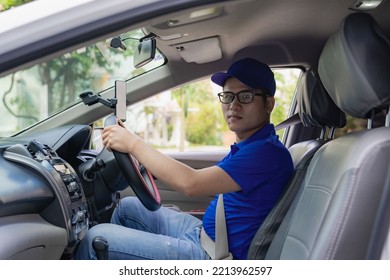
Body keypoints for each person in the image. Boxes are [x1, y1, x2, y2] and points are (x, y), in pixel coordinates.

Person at [74, 58, 294, 260]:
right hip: (206, 236)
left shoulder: (265, 154)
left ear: (268, 104)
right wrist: (141, 156)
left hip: (214, 256)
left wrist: (133, 144)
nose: (233, 105)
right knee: (128, 208)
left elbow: (191, 183)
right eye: (228, 96)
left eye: (245, 96)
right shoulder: (253, 144)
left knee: (96, 239)